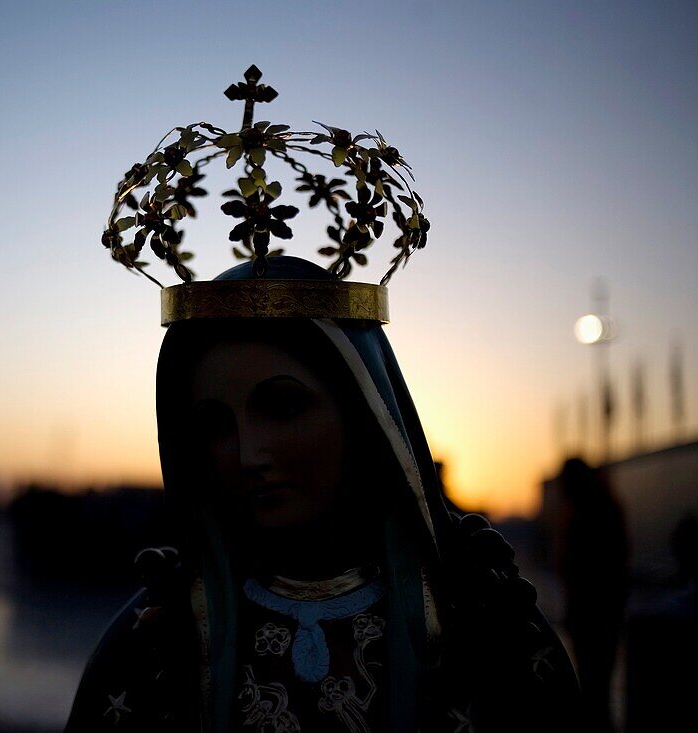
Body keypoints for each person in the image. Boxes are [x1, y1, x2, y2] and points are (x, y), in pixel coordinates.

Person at [66, 256, 578, 732]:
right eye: (216, 425)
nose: (248, 455)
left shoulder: (484, 629)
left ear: (365, 416)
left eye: (283, 407)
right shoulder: (157, 639)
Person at [556, 457, 628, 731]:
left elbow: (575, 565)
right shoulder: (606, 506)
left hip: (590, 612)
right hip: (601, 611)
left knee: (592, 687)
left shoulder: (582, 513)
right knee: (598, 688)